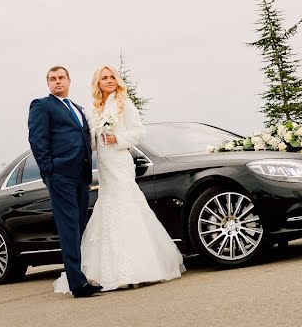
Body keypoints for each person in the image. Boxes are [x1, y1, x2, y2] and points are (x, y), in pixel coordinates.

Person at [54, 65, 185, 293]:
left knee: (127, 206)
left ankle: (139, 267)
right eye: (104, 78)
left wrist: (119, 137)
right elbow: (92, 140)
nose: (109, 80)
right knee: (108, 207)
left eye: (112, 76)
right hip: (104, 165)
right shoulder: (94, 108)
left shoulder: (124, 103)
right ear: (98, 83)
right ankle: (105, 270)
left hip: (120, 161)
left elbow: (139, 132)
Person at [28, 66, 102, 298]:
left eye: (61, 78)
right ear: (48, 83)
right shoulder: (42, 105)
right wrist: (48, 171)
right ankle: (77, 285)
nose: (57, 82)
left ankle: (80, 275)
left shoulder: (78, 109)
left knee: (77, 226)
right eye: (53, 79)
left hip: (80, 176)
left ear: (69, 81)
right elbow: (37, 139)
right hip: (60, 176)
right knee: (68, 228)